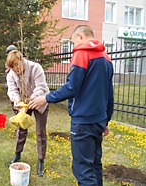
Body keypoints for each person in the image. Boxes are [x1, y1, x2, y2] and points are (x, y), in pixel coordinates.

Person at [29, 25, 114, 186]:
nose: (74, 47)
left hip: (83, 122)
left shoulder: (82, 53)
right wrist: (106, 121)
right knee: (95, 165)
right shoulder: (106, 57)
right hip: (99, 120)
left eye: (74, 42)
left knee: (83, 170)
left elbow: (71, 87)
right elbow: (109, 93)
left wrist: (45, 98)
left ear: (80, 36)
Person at [6, 50, 49, 177]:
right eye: (12, 67)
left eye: (16, 65)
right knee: (21, 127)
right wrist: (16, 99)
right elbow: (12, 90)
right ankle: (17, 153)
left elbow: (41, 87)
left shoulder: (36, 68)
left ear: (21, 60)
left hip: (40, 100)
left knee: (40, 131)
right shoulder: (11, 74)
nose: (15, 69)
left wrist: (33, 98)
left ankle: (41, 160)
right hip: (24, 103)